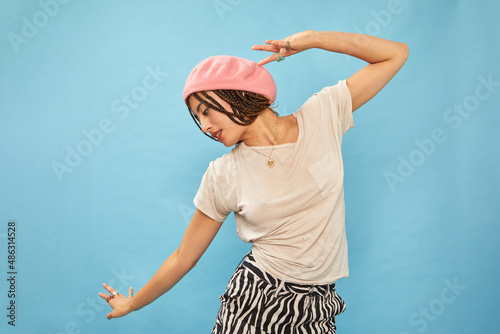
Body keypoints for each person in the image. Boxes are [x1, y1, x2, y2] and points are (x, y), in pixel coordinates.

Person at [99, 30, 408, 333]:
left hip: (319, 305)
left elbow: (394, 54)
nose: (205, 126)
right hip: (256, 300)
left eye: (207, 111)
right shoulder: (223, 174)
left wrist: (313, 39)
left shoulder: (322, 116)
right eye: (198, 119)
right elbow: (183, 258)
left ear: (239, 93)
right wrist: (133, 303)